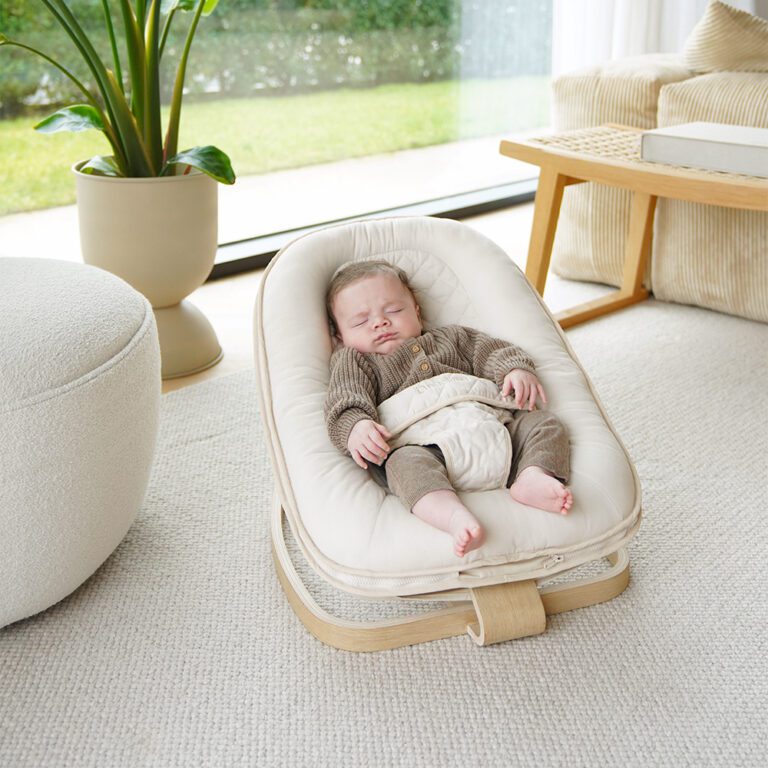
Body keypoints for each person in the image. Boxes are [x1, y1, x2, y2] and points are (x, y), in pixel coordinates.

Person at [324, 260, 572, 557]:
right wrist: (356, 425)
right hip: (424, 446)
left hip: (494, 427)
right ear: (340, 337)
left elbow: (491, 350)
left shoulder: (453, 337)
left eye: (394, 310)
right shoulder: (355, 361)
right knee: (402, 465)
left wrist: (513, 369)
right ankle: (452, 516)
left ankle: (533, 475)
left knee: (544, 424)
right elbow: (344, 397)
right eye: (361, 321)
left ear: (417, 312)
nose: (380, 323)